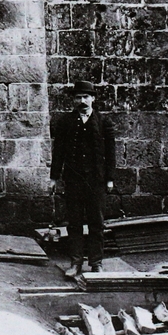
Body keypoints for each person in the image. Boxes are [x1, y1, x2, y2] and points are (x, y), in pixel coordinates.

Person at [49, 79, 116, 275]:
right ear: (73, 100)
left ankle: (96, 263)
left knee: (96, 222)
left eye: (86, 97)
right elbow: (58, 152)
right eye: (78, 97)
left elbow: (111, 153)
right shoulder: (65, 122)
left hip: (96, 180)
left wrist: (109, 179)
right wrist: (54, 178)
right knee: (75, 222)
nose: (82, 101)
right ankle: (76, 263)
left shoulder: (104, 122)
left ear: (93, 99)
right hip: (74, 181)